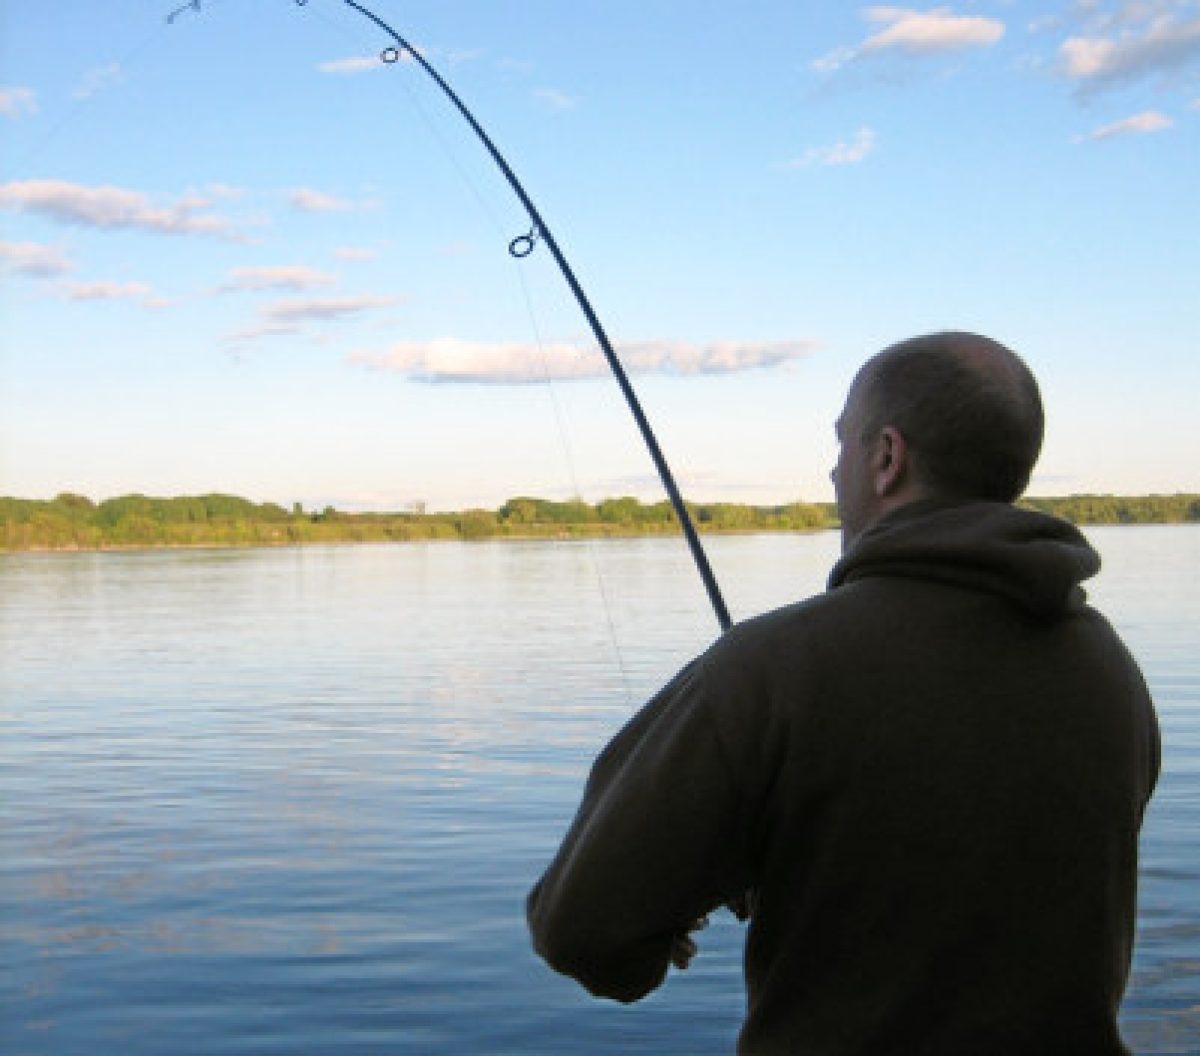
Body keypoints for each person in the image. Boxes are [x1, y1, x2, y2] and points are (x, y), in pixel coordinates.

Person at [526, 331, 1161, 1055]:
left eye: (842, 444)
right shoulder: (1110, 667)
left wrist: (667, 927)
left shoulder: (769, 666)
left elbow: (580, 930)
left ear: (887, 458)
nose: (834, 472)